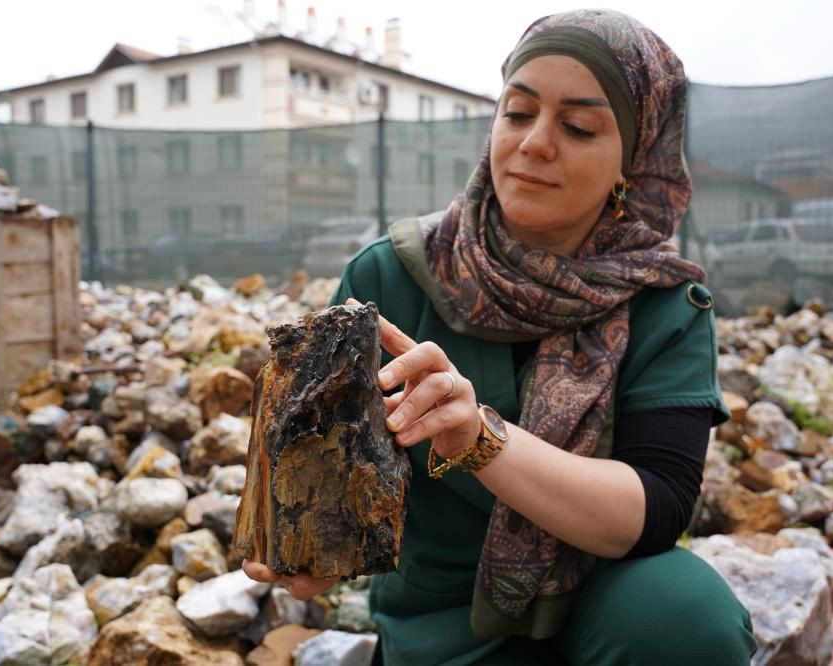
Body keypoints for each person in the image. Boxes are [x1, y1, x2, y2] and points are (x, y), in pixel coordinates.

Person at [245, 9, 757, 665]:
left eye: (576, 126)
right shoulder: (390, 277)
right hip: (442, 624)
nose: (535, 142)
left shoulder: (665, 304)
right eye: (517, 113)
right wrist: (307, 551)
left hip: (604, 607)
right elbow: (319, 488)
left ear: (633, 159)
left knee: (683, 617)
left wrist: (480, 439)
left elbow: (656, 508)